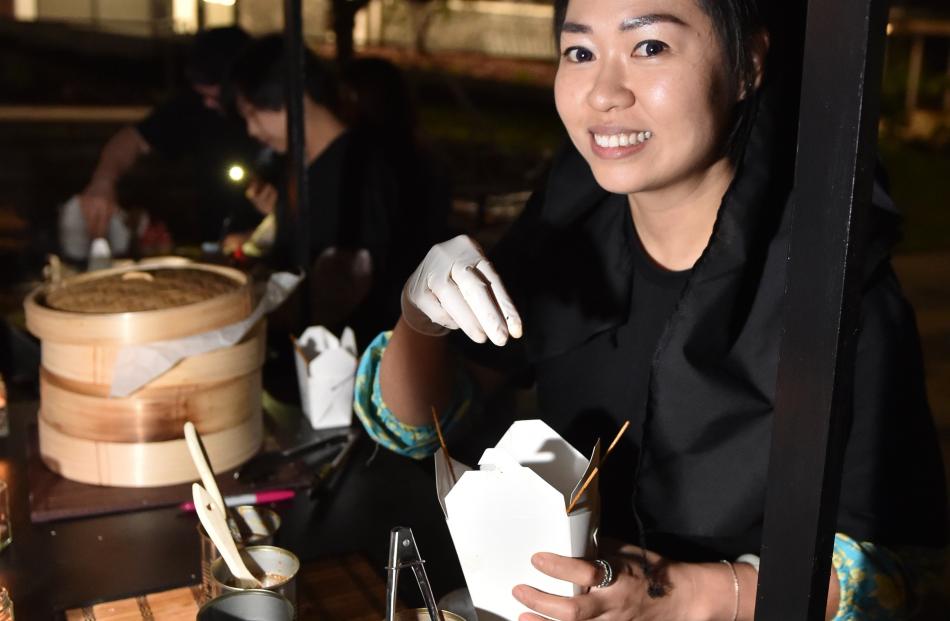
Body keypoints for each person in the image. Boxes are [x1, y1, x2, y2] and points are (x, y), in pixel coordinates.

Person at [354, 0, 948, 619]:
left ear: (748, 63)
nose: (604, 93)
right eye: (580, 52)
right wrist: (417, 322)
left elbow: (896, 575)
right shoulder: (570, 229)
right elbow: (415, 426)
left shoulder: (833, 288)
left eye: (650, 47)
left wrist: (668, 592)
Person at [229, 36, 448, 344]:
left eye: (253, 114)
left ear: (291, 98)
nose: (251, 130)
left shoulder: (362, 168)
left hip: (357, 355)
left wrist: (249, 313)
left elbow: (347, 288)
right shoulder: (298, 165)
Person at [79, 26, 269, 246]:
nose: (207, 103)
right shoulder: (193, 106)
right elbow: (132, 138)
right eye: (202, 95)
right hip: (216, 243)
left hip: (276, 249)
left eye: (215, 97)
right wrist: (103, 181)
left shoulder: (277, 115)